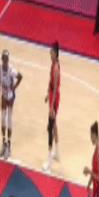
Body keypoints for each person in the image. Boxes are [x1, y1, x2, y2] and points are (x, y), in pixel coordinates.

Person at [0, 50, 22, 160]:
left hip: (10, 97)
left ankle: (9, 146)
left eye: (6, 59)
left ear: (8, 60)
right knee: (3, 120)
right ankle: (4, 143)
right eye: (4, 59)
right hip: (3, 96)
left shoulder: (12, 70)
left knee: (9, 121)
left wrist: (14, 87)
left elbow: (20, 76)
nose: (5, 61)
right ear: (2, 59)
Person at [43, 42, 61, 172]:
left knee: (49, 128)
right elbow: (50, 84)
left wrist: (51, 107)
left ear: (55, 53)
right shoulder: (54, 63)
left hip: (54, 99)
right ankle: (57, 153)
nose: (50, 54)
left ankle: (49, 163)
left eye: (51, 52)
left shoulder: (55, 68)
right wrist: (47, 94)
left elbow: (54, 89)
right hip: (52, 96)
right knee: (54, 125)